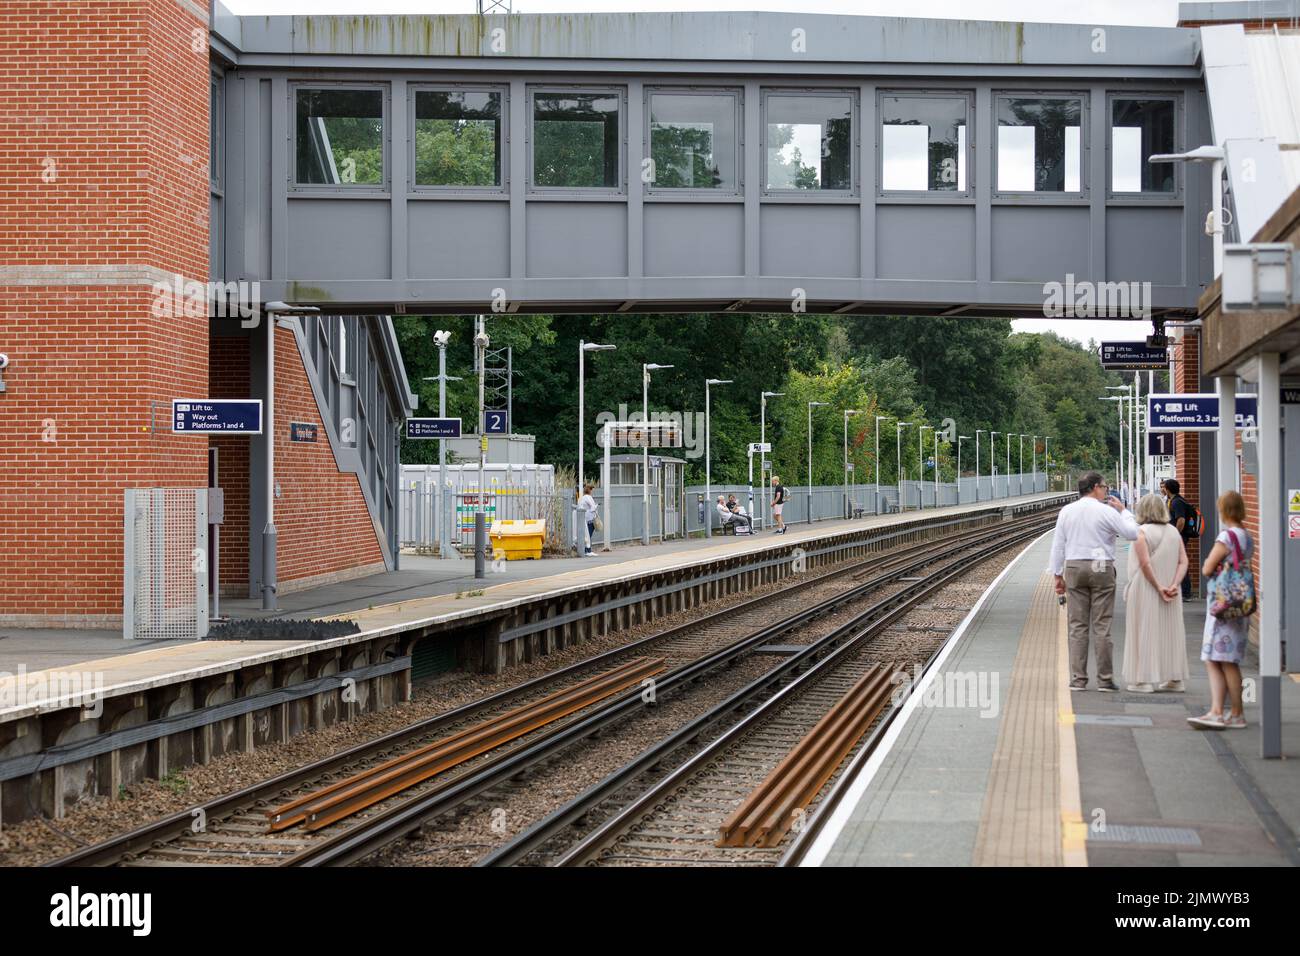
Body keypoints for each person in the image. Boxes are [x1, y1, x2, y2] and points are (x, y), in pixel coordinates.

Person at [1049, 471, 1140, 692]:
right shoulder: (1106, 511)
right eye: (1105, 487)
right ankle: (1105, 680)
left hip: (1074, 567)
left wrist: (1057, 575)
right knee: (1102, 625)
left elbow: (1058, 545)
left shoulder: (1067, 511)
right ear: (1096, 487)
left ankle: (1078, 680)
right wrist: (1124, 511)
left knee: (1077, 626)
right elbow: (1132, 533)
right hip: (1101, 567)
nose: (1106, 491)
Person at [1188, 490, 1253, 731]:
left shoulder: (1226, 537)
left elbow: (1207, 568)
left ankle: (1218, 711)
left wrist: (1210, 565)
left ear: (1224, 510)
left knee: (1214, 658)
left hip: (1222, 606)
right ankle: (1235, 713)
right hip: (1239, 604)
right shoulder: (1246, 536)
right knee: (1230, 661)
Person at [1122, 494, 1188, 693]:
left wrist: (1158, 587)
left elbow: (1144, 564)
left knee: (1143, 631)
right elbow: (1183, 561)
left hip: (1145, 588)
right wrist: (1174, 584)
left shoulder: (1141, 532)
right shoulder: (1174, 532)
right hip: (1171, 589)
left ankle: (1143, 681)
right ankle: (1175, 679)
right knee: (1171, 632)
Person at [1163, 478, 1196, 600]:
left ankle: (1186, 593)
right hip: (1178, 536)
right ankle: (1182, 591)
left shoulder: (1177, 502)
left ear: (1168, 489)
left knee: (1180, 563)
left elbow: (1181, 520)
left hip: (1179, 537)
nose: (1163, 489)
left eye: (1164, 487)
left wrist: (1174, 535)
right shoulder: (1174, 500)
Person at [578, 483, 598, 556]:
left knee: (586, 534)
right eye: (591, 489)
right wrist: (596, 506)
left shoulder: (583, 497)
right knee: (588, 535)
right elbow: (593, 507)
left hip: (584, 518)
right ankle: (588, 551)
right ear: (589, 490)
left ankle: (586, 550)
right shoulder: (588, 497)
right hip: (589, 519)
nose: (592, 491)